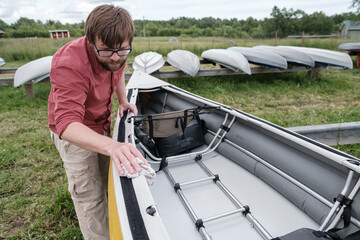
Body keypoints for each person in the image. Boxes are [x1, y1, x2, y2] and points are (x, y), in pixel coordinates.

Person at [48, 4, 147, 239]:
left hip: (102, 124)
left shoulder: (116, 51)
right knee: (89, 197)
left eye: (122, 50)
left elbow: (118, 69)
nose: (115, 57)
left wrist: (122, 100)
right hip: (76, 133)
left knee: (107, 180)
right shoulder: (68, 63)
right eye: (106, 51)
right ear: (91, 40)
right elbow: (66, 123)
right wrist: (112, 145)